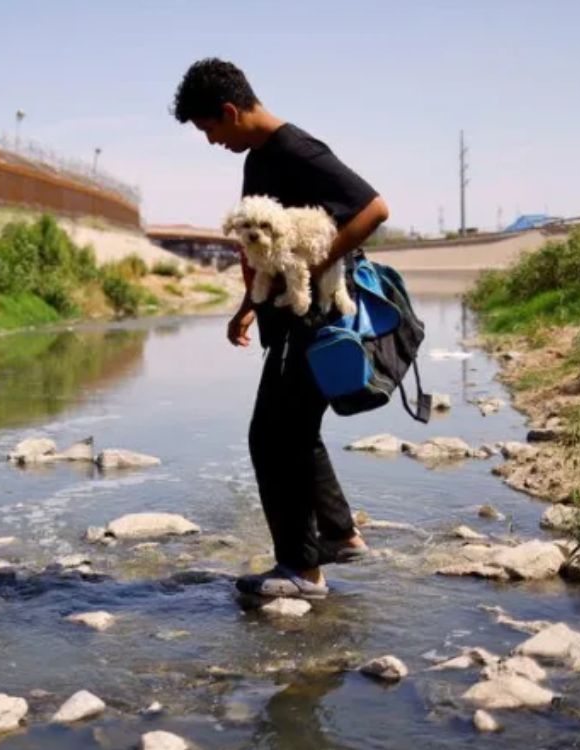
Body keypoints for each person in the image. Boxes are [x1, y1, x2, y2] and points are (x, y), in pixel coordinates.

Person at [172, 58, 389, 598]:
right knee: (296, 431)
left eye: (209, 129)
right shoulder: (260, 158)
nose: (211, 141)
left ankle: (301, 570)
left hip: (312, 320)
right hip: (287, 317)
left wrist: (315, 268)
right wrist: (249, 305)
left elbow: (374, 209)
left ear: (229, 111)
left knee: (270, 437)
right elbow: (261, 249)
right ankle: (340, 535)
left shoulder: (296, 149)